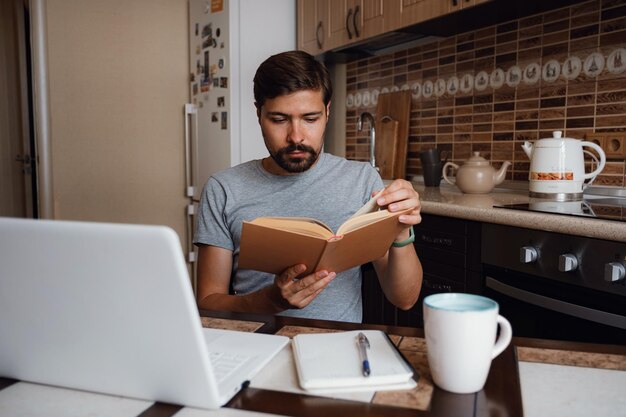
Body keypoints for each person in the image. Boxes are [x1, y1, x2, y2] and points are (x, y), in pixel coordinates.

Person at [194, 50, 423, 323]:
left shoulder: (362, 180)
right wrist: (270, 301)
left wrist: (401, 229)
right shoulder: (224, 188)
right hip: (258, 347)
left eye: (310, 119)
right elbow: (207, 304)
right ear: (259, 114)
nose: (296, 136)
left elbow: (404, 299)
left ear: (327, 112)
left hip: (338, 350)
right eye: (279, 119)